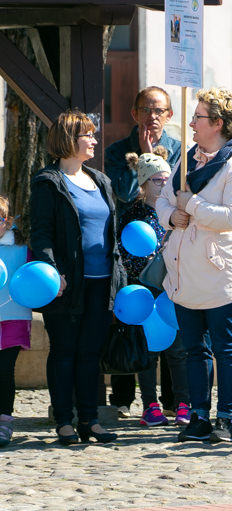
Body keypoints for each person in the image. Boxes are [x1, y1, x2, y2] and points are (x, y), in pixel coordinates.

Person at [156, 88, 232, 443]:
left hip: (218, 271)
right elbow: (164, 201)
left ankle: (227, 418)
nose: (191, 124)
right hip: (185, 269)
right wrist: (172, 218)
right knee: (193, 348)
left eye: (197, 117)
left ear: (217, 123)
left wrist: (193, 205)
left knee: (225, 346)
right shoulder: (186, 159)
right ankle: (199, 414)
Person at [30, 110, 126, 445]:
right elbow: (40, 233)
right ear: (70, 138)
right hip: (66, 286)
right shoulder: (47, 182)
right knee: (65, 351)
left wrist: (119, 280)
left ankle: (90, 420)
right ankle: (64, 421)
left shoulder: (101, 180)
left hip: (102, 283)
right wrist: (53, 271)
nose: (95, 140)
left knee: (90, 353)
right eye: (88, 134)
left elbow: (112, 234)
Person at [115, 149, 191, 427]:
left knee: (179, 349)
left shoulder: (175, 212)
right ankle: (150, 406)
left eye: (166, 179)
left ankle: (184, 404)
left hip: (173, 290)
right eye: (158, 180)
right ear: (145, 183)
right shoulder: (132, 214)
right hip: (144, 292)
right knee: (147, 351)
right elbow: (124, 255)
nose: (163, 185)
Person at [105, 87, 182, 216]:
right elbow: (125, 194)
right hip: (131, 228)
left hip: (168, 227)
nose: (152, 116)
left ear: (169, 115)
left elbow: (176, 193)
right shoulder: (116, 151)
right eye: (145, 110)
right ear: (135, 114)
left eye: (159, 111)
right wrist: (144, 158)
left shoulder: (179, 151)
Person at [0, 197, 30, 448]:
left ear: (7, 221)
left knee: (5, 370)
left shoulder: (19, 247)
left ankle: (4, 420)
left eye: (0, 218)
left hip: (13, 316)